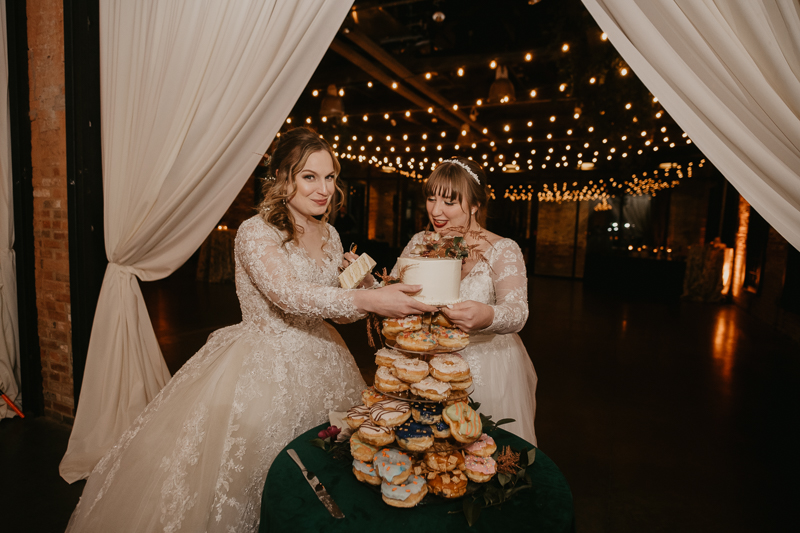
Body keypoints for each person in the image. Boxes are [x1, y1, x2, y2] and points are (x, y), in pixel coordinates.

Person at [66, 127, 436, 532]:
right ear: (283, 177)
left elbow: (335, 312)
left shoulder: (329, 234)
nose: (323, 189)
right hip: (262, 365)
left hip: (324, 360)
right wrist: (367, 301)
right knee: (254, 472)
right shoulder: (256, 232)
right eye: (309, 177)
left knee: (324, 468)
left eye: (329, 177)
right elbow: (287, 295)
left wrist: (362, 288)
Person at [395, 156, 538, 445]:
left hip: (487, 367)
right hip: (428, 363)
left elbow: (518, 312)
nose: (436, 211)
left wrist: (488, 315)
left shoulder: (502, 250)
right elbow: (395, 291)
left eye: (449, 202)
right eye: (432, 198)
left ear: (475, 204)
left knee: (480, 453)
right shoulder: (419, 242)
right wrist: (367, 283)